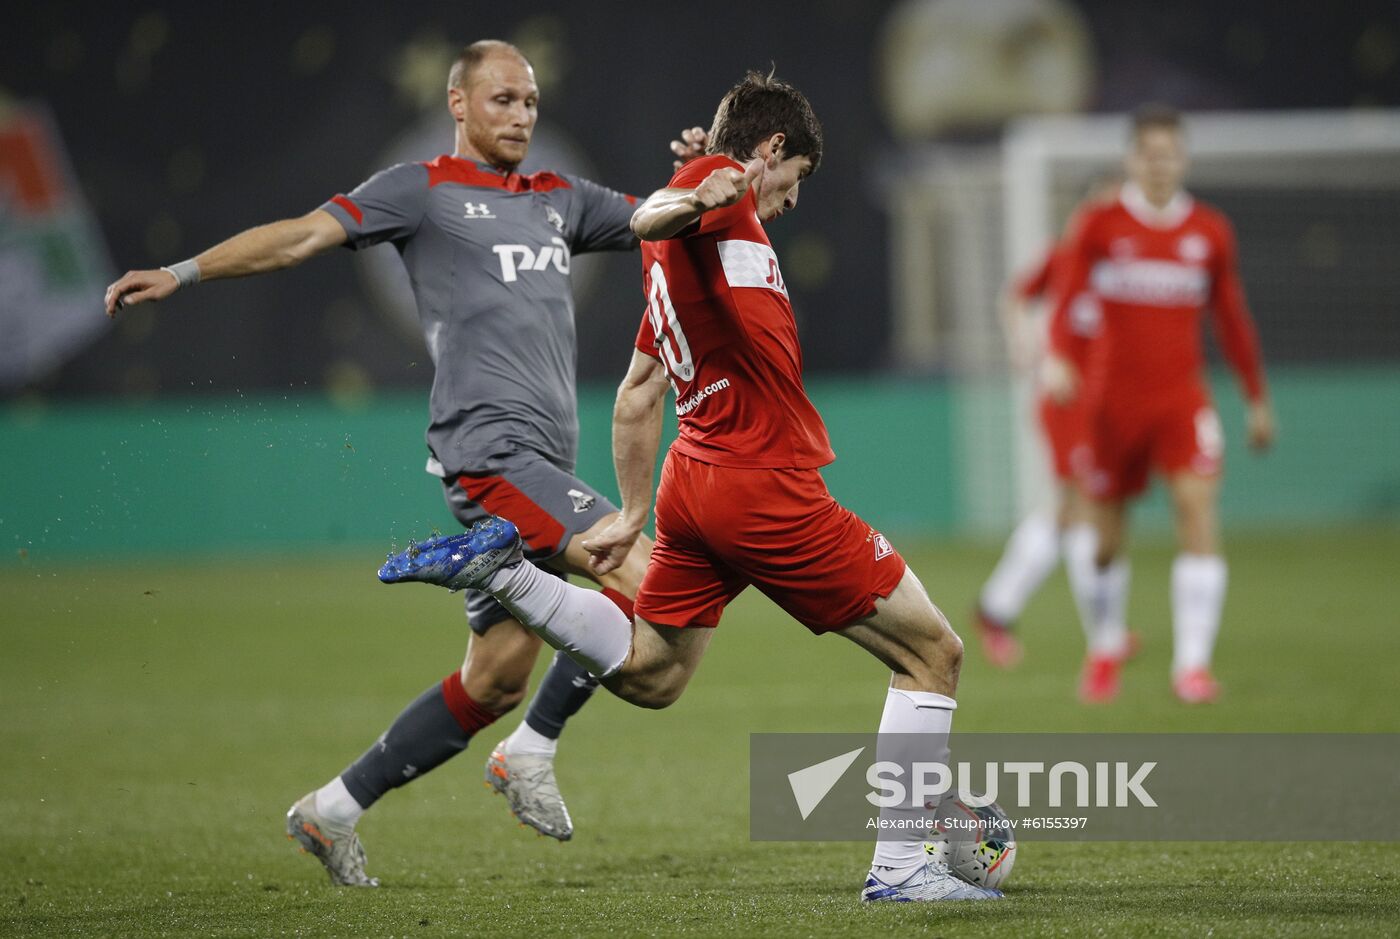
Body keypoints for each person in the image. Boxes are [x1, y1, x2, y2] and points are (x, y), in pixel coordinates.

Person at [380, 70, 1002, 902]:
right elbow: (654, 215)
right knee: (934, 653)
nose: (789, 200)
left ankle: (505, 572)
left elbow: (639, 393)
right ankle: (901, 868)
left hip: (695, 484)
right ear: (772, 150)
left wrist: (635, 512)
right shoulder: (718, 203)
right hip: (763, 486)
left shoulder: (691, 256)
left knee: (651, 673)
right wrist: (696, 191)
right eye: (795, 179)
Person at [104, 40, 703, 886]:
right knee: (653, 587)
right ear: (458, 105)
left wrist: (705, 174)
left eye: (529, 102)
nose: (521, 116)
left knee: (493, 681)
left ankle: (333, 808)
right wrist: (182, 270)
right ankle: (534, 747)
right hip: (493, 456)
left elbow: (665, 222)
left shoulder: (559, 199)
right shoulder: (419, 190)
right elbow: (298, 239)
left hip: (539, 462)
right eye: (502, 100)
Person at [1043, 104, 1274, 704]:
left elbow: (1231, 318)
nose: (1160, 162)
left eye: (1170, 152)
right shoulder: (1099, 224)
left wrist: (1255, 397)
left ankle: (1192, 668)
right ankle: (1104, 646)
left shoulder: (1211, 232)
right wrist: (1061, 355)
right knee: (1106, 542)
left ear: (1184, 157)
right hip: (1112, 406)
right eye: (1150, 152)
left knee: (1197, 514)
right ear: (1132, 159)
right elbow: (1066, 295)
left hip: (1182, 401)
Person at [974, 177, 1124, 671]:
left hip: (1102, 405)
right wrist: (1025, 346)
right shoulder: (1065, 258)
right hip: (1064, 402)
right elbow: (1013, 297)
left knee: (1067, 513)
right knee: (1083, 507)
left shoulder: (1122, 270)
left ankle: (996, 610)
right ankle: (1106, 639)